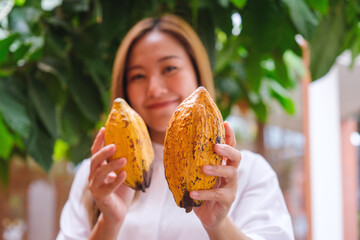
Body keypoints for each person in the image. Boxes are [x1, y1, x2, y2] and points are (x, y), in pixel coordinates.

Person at [57, 14, 294, 240]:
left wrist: (219, 226)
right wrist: (108, 223)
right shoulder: (98, 176)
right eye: (138, 76)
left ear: (196, 73)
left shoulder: (249, 172)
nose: (154, 89)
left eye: (169, 68)